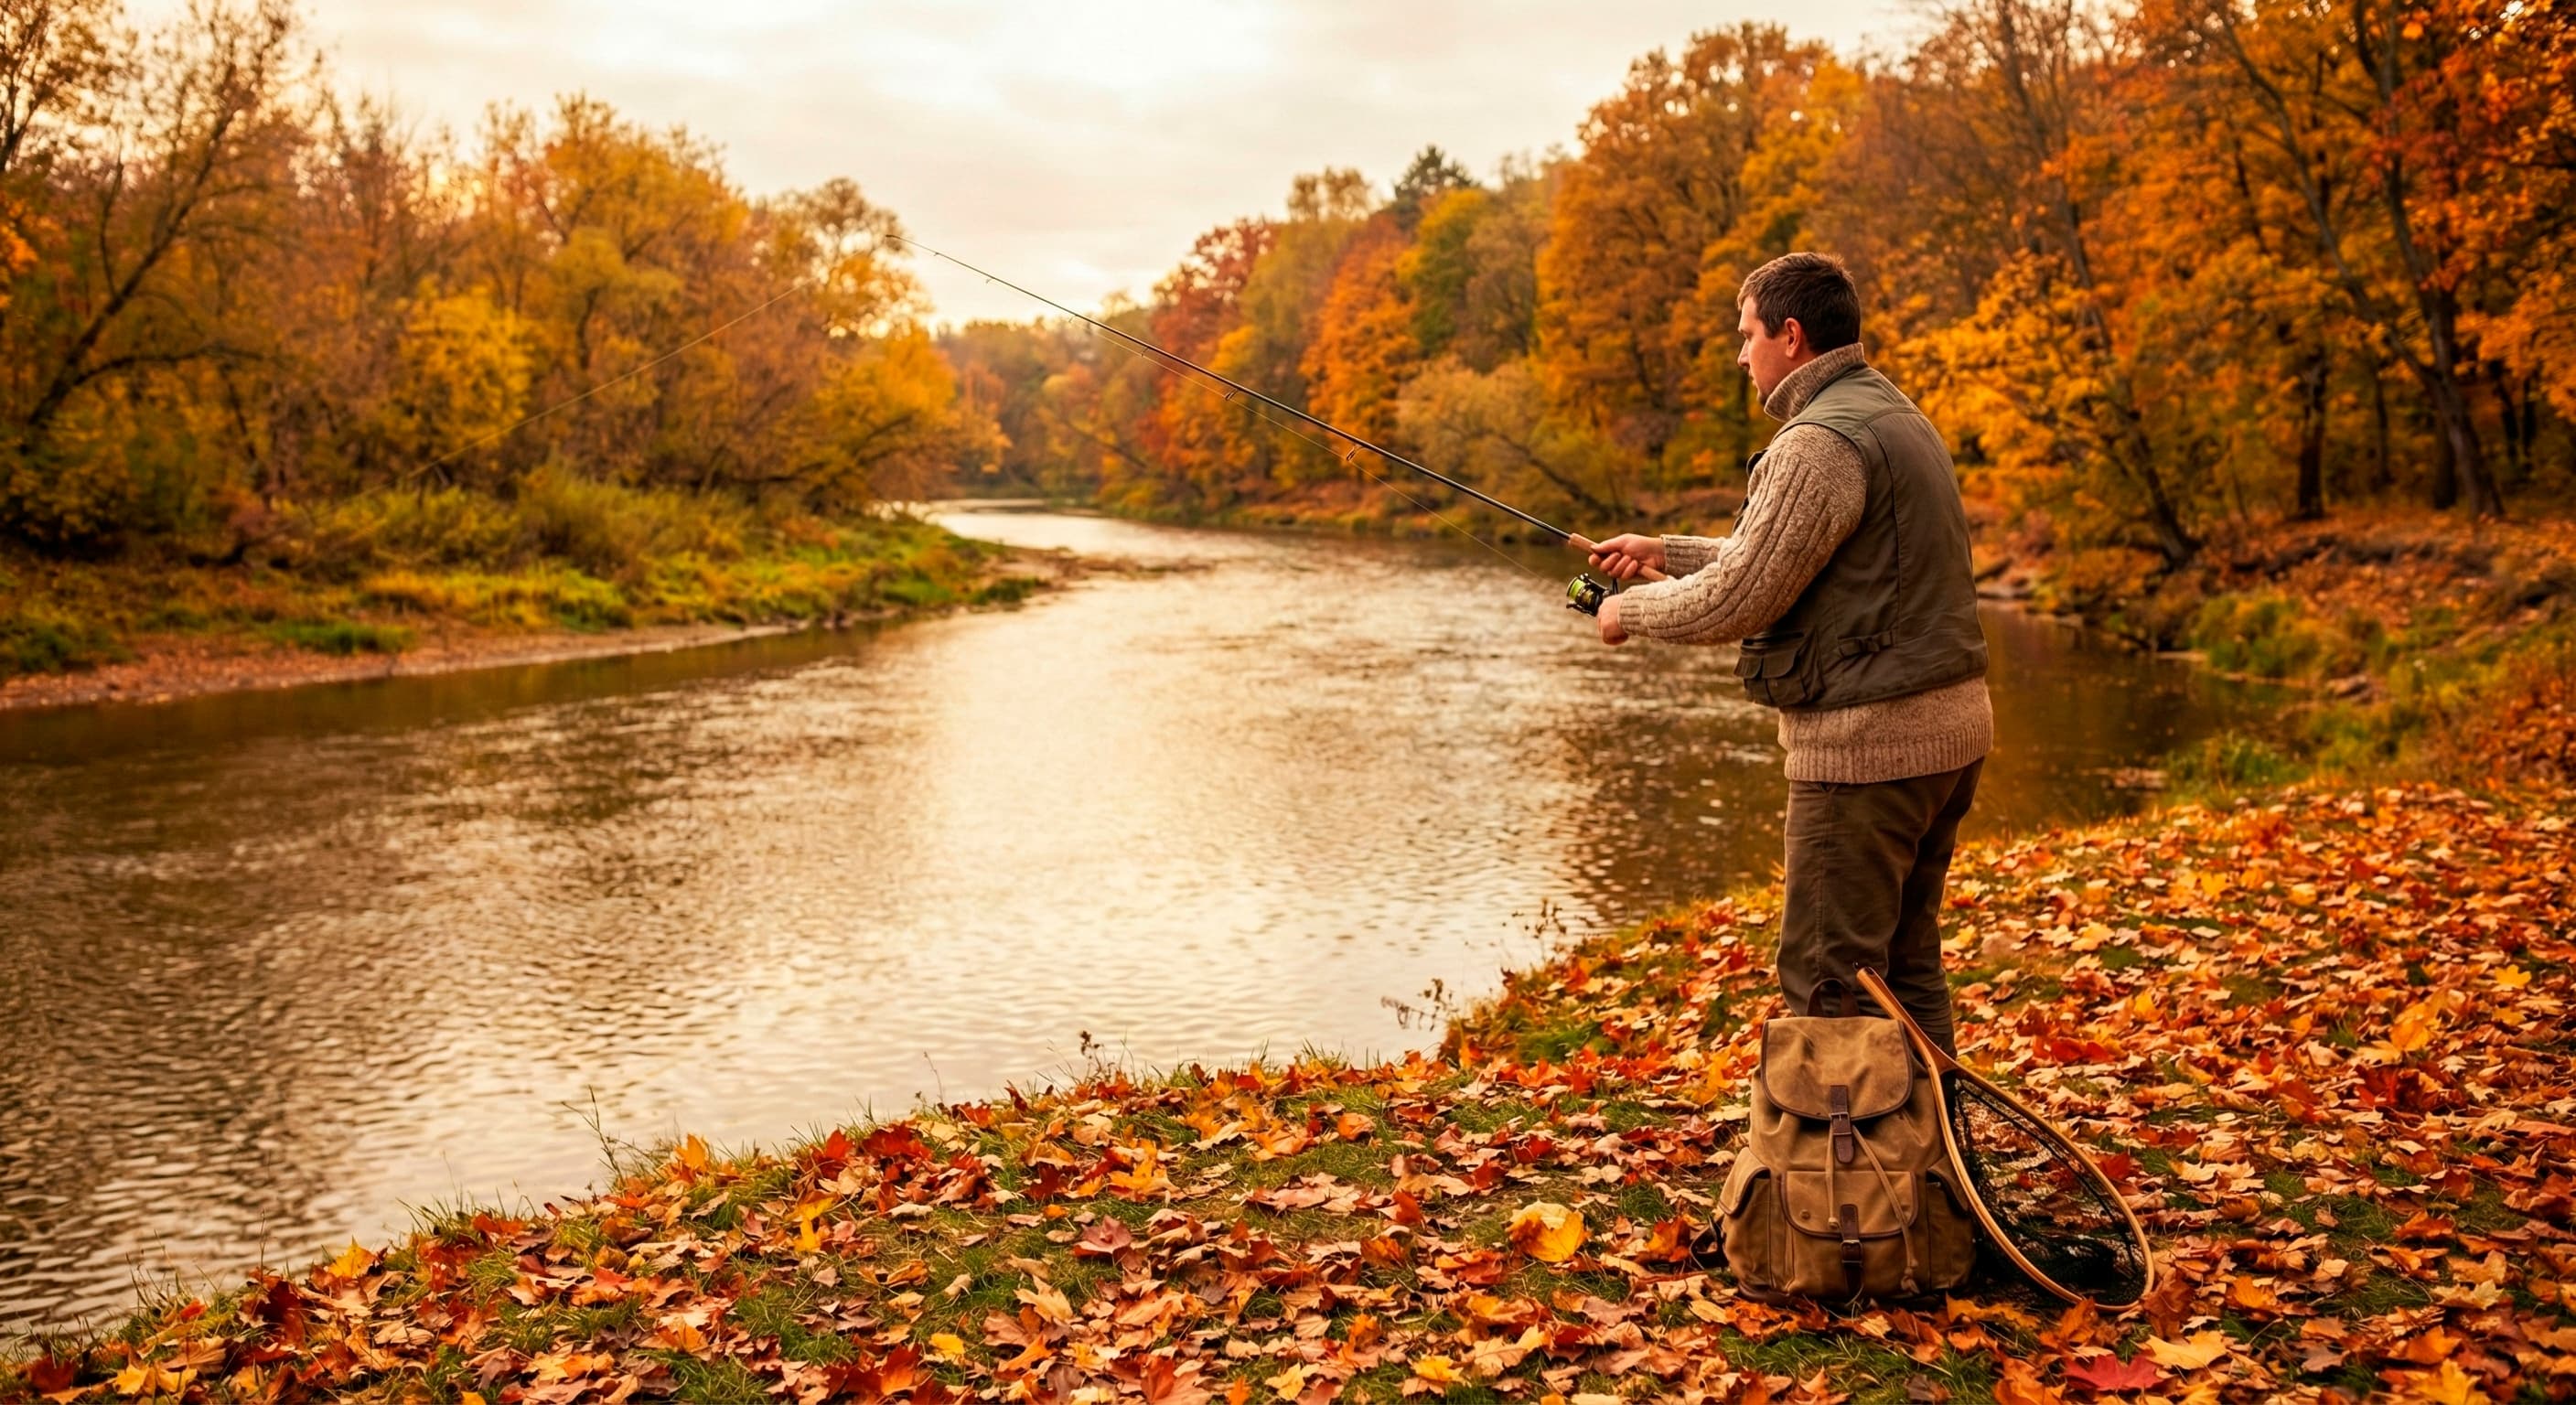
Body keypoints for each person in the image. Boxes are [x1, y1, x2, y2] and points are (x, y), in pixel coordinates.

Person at [1584, 251, 1991, 1054]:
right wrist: (1664, 550)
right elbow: (1789, 557)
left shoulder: (1816, 444)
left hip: (1868, 753)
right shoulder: (1888, 413)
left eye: (1747, 336)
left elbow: (1744, 597)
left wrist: (1630, 611)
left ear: (1792, 336)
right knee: (1905, 969)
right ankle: (1934, 1162)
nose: (1741, 355)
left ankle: (1839, 1177)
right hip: (1945, 737)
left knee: (1829, 981)